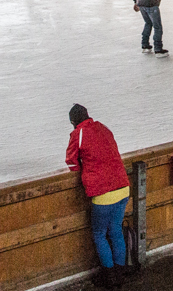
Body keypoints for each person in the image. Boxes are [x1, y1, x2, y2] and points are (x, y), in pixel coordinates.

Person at [66, 105, 131, 287]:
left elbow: (72, 160)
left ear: (73, 121)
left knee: (99, 233)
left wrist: (82, 171)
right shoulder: (103, 128)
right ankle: (120, 272)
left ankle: (109, 276)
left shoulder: (78, 133)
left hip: (103, 193)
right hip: (123, 187)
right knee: (116, 230)